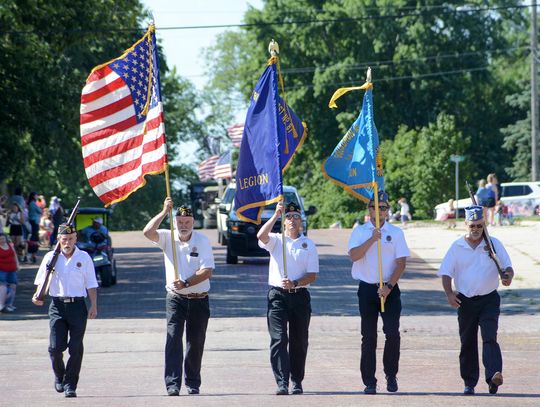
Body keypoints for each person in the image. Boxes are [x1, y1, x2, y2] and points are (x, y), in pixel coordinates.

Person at [438, 205, 514, 396]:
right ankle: (469, 382)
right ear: (466, 224)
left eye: (479, 225)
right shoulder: (457, 246)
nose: (475, 229)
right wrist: (449, 293)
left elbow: (508, 267)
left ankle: (494, 376)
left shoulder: (493, 244)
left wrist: (507, 276)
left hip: (489, 299)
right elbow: (446, 272)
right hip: (465, 301)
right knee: (467, 341)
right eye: (472, 225)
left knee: (490, 337)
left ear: (484, 225)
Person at [143, 199, 214, 396]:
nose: (183, 225)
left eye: (187, 221)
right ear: (174, 222)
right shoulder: (168, 237)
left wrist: (186, 282)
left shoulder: (202, 241)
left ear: (193, 222)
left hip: (199, 298)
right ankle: (173, 384)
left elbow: (207, 271)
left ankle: (192, 382)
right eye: (180, 221)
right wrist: (164, 211)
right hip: (175, 299)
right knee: (173, 339)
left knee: (195, 342)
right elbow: (147, 232)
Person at [348, 190, 410, 395]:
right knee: (369, 336)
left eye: (383, 208)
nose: (380, 211)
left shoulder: (396, 233)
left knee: (392, 333)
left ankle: (391, 375)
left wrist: (389, 287)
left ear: (388, 211)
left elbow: (401, 263)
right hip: (367, 288)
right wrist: (372, 240)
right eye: (376, 207)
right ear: (369, 209)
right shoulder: (360, 231)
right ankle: (369, 381)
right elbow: (354, 256)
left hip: (389, 288)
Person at [257, 201, 319, 396]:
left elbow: (312, 275)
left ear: (301, 221)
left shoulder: (307, 244)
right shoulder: (276, 240)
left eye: (296, 217)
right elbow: (261, 236)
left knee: (299, 340)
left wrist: (295, 283)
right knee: (279, 338)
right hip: (277, 297)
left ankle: (297, 380)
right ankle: (282, 381)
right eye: (288, 217)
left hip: (300, 295)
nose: (292, 220)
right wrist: (275, 215)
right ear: (284, 222)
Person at [32, 223, 98, 398]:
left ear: (75, 238)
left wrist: (93, 305)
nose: (67, 242)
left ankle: (70, 384)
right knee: (55, 348)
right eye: (64, 239)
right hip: (57, 306)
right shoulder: (50, 258)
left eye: (70, 239)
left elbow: (91, 284)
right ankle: (59, 375)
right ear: (58, 240)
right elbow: (41, 280)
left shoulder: (84, 257)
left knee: (75, 348)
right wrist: (37, 295)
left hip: (78, 306)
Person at [0, 233, 19, 312]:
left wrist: (17, 264)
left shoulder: (10, 245)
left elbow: (14, 255)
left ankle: (9, 305)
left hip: (12, 269)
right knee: (3, 286)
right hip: (2, 270)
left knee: (13, 286)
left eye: (3, 238)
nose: (2, 240)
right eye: (0, 239)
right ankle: (1, 304)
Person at [27, 192, 42, 263]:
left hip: (33, 222)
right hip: (34, 222)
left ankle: (33, 255)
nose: (37, 196)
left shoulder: (31, 203)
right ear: (33, 196)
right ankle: (31, 255)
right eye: (36, 195)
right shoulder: (33, 203)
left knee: (34, 238)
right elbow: (40, 211)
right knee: (34, 239)